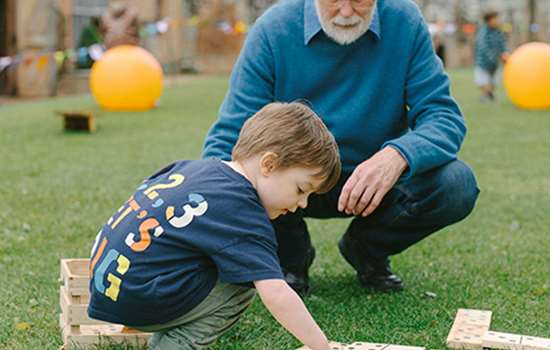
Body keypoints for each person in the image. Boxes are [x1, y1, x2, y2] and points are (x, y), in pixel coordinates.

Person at [202, 0, 480, 295]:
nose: (346, 12)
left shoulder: (405, 21)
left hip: (375, 183)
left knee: (456, 184)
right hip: (293, 182)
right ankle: (290, 258)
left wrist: (397, 154)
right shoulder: (273, 28)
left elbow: (444, 116)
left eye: (359, 0)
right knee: (243, 179)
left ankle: (365, 248)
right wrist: (210, 195)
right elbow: (232, 132)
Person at [87, 102, 341, 350]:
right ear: (269, 164)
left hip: (107, 285)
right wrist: (321, 346)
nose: (302, 203)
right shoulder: (242, 210)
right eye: (301, 189)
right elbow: (275, 293)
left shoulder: (194, 169)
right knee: (242, 285)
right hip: (137, 297)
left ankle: (146, 318)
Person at [474, 10, 510, 102]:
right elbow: (483, 47)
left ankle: (488, 94)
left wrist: (505, 52)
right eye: (496, 19)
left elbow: (502, 43)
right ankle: (486, 95)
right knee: (483, 81)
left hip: (495, 63)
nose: (498, 21)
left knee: (493, 82)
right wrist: (495, 57)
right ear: (489, 20)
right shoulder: (484, 32)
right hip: (483, 62)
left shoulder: (498, 31)